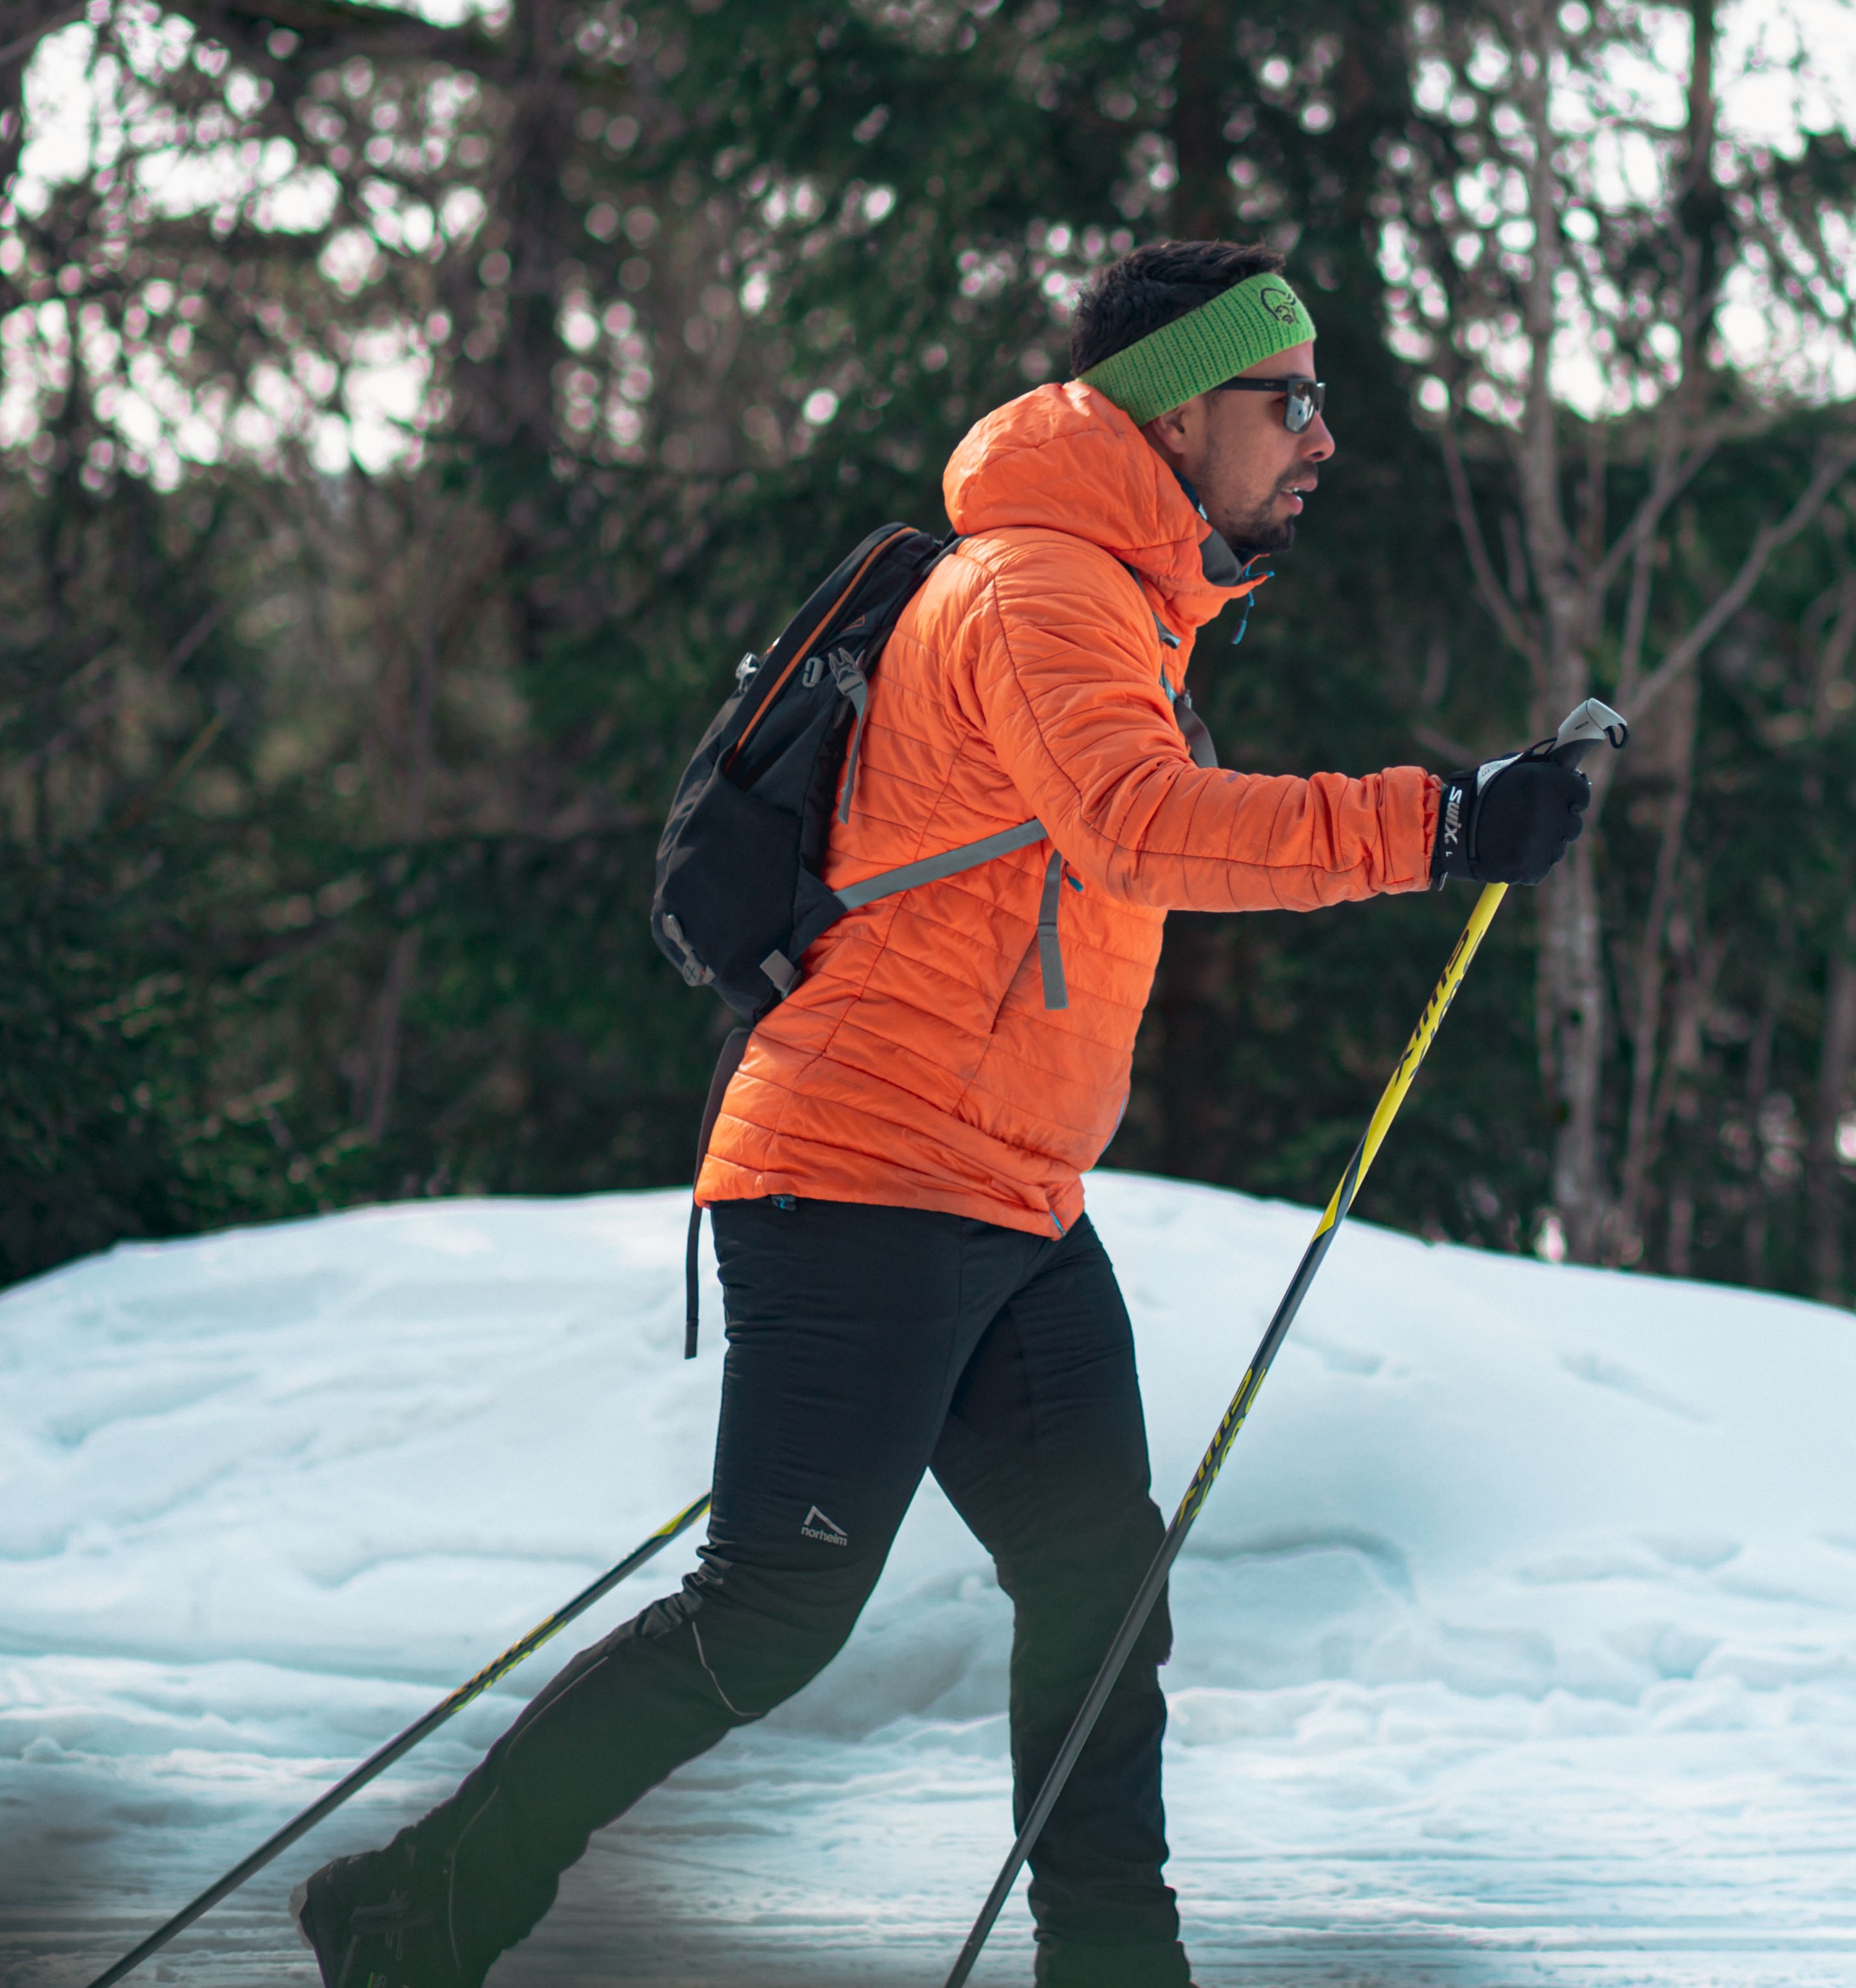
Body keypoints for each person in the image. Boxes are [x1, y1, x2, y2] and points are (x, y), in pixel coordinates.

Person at [288, 241, 1604, 1988]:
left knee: (1097, 1585)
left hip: (1004, 1196)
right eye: (1286, 399)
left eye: (1319, 402)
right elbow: (1141, 825)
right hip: (863, 1172)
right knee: (771, 1612)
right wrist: (1432, 824)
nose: (1319, 437)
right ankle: (424, 1901)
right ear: (1174, 408)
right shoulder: (1037, 591)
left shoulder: (1112, 599)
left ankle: (1114, 1964)